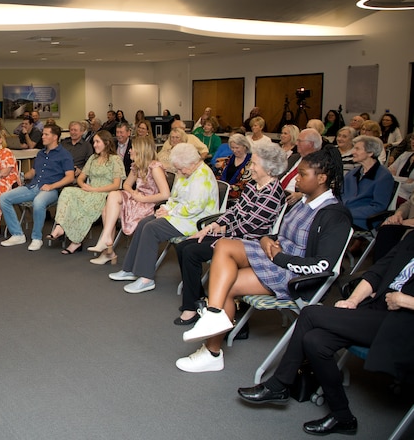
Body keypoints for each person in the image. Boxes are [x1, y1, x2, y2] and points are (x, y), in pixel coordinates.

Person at [177, 147, 352, 373]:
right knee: (223, 246)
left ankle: (212, 348)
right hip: (276, 258)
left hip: (295, 275)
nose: (296, 178)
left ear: (322, 179)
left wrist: (280, 256)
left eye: (302, 174)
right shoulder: (303, 202)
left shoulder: (334, 215)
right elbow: (277, 234)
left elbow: (323, 265)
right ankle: (213, 317)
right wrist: (267, 240)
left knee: (225, 284)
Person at [237, 232, 414, 436]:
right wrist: (353, 301)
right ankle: (343, 417)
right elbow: (376, 273)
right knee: (315, 341)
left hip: (404, 322)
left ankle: (279, 385)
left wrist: (405, 301)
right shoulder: (410, 238)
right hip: (378, 309)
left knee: (310, 313)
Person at [175, 144, 286, 325]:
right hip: (233, 234)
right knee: (183, 246)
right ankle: (198, 298)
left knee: (191, 252)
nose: (250, 168)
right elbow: (235, 211)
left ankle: (191, 308)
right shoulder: (253, 186)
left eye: (254, 164)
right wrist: (213, 226)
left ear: (269, 167)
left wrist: (221, 231)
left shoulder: (273, 194)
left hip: (247, 244)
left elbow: (249, 227)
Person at [109, 143, 219, 294]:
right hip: (180, 215)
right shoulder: (186, 170)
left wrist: (170, 212)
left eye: (181, 169)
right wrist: (166, 208)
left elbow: (194, 207)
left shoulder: (203, 176)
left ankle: (146, 278)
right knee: (143, 223)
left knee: (152, 228)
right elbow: (174, 196)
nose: (179, 172)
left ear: (193, 163)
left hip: (196, 220)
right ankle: (130, 269)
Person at [89, 136, 170, 265]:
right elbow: (126, 185)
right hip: (137, 199)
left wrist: (143, 198)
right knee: (113, 196)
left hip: (149, 203)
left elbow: (165, 194)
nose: (129, 151)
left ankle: (108, 248)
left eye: (132, 148)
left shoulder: (155, 167)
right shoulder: (137, 166)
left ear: (140, 150)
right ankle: (106, 241)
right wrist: (133, 192)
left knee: (106, 210)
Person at [0, 124, 74, 251]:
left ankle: (36, 238)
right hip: (33, 186)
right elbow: (33, 172)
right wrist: (21, 176)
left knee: (38, 202)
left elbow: (70, 177)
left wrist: (52, 186)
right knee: (4, 198)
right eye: (43, 134)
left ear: (55, 137)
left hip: (51, 190)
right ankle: (17, 234)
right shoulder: (41, 153)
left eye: (46, 134)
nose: (42, 136)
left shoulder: (64, 154)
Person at [48, 130, 124, 254]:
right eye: (94, 142)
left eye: (97, 142)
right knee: (67, 192)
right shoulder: (93, 158)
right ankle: (60, 225)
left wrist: (94, 189)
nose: (94, 145)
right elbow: (80, 178)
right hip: (90, 190)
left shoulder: (115, 160)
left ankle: (76, 241)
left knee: (84, 204)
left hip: (105, 193)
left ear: (107, 142)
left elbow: (116, 185)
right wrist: (85, 186)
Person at [342, 135, 394, 231]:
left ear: (370, 153)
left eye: (357, 149)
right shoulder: (352, 173)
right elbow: (340, 194)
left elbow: (378, 207)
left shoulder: (383, 177)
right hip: (343, 214)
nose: (353, 152)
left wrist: (347, 212)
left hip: (362, 219)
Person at [279, 128, 322, 203]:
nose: (296, 143)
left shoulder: (319, 163)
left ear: (310, 144)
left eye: (299, 141)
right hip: (279, 192)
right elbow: (279, 175)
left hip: (293, 200)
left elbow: (319, 188)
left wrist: (301, 195)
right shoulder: (294, 157)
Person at [375, 191, 414, 262]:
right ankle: (377, 269)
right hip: (407, 227)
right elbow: (409, 204)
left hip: (410, 230)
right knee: (386, 230)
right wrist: (398, 215)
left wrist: (402, 222)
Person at [214, 133, 252, 204]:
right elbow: (219, 175)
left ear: (245, 146)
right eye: (232, 148)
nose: (234, 150)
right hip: (222, 191)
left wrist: (227, 189)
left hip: (237, 197)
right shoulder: (229, 159)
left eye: (237, 148)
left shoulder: (251, 162)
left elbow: (245, 184)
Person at [390, 133, 414, 199]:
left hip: (407, 198)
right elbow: (388, 174)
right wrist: (405, 180)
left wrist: (394, 178)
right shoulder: (405, 155)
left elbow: (411, 188)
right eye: (413, 139)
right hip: (392, 191)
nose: (413, 142)